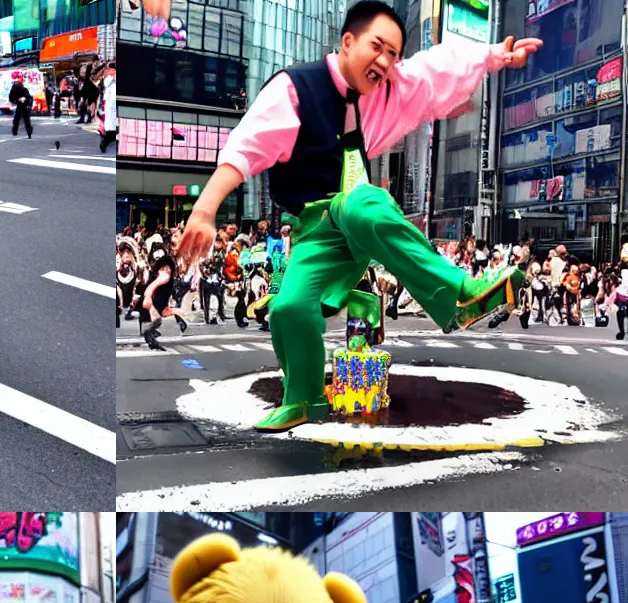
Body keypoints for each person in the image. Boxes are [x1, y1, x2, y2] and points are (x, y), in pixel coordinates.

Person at [175, 1, 541, 431]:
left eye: (394, 54)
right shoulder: (295, 89)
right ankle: (304, 398)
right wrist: (204, 210)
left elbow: (437, 65)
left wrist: (496, 55)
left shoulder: (392, 89)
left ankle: (459, 294)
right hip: (315, 230)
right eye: (378, 47)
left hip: (359, 214)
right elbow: (245, 148)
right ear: (348, 42)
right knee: (291, 308)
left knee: (360, 200)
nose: (386, 62)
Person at [9, 73, 33, 138]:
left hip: (20, 105)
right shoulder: (22, 88)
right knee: (26, 120)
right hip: (23, 105)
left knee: (17, 119)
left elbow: (11, 98)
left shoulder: (15, 87)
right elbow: (29, 97)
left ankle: (15, 132)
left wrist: (17, 100)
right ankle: (29, 133)